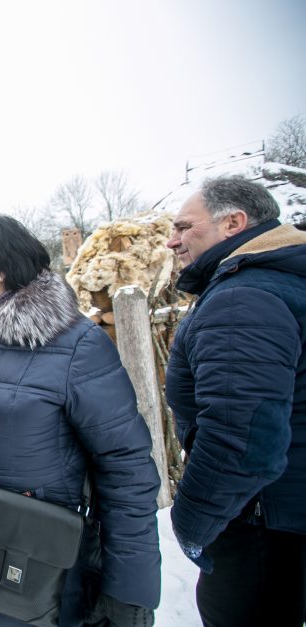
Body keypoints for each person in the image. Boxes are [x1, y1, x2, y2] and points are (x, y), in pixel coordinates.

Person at [0, 214, 161, 626]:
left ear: (5, 265)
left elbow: (126, 467)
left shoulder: (74, 344)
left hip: (31, 557)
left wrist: (130, 590)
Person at [164, 175, 306, 627]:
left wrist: (191, 523)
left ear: (234, 223)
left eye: (184, 227)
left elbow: (240, 439)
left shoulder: (243, 297)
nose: (172, 241)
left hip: (262, 526)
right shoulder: (282, 281)